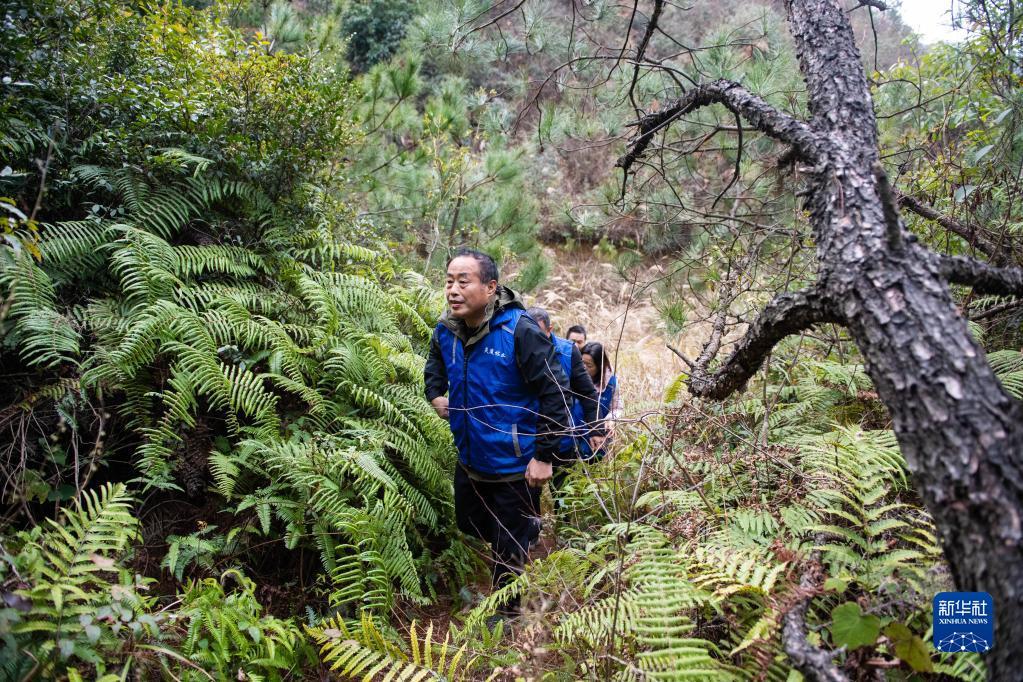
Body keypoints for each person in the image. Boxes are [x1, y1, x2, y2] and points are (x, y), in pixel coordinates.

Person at [424, 248, 569, 620]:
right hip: (471, 458)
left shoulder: (520, 331)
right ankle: (523, 533)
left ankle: (506, 616)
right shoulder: (447, 329)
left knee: (508, 545)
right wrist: (436, 393)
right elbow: (435, 364)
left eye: (464, 281)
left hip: (513, 464)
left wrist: (544, 456)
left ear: (490, 287)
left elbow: (556, 392)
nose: (453, 290)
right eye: (449, 281)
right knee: (470, 524)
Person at [525, 307, 602, 472]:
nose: (533, 342)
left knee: (562, 493)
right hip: (524, 441)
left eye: (539, 335)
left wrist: (596, 429)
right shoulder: (514, 348)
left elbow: (587, 393)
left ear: (550, 330)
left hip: (562, 439)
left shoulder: (567, 351)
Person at [580, 341, 620, 456]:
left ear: (600, 366)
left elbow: (617, 408)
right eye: (582, 363)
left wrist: (610, 420)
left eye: (589, 365)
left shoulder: (611, 383)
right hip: (579, 434)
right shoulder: (575, 379)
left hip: (601, 437)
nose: (584, 368)